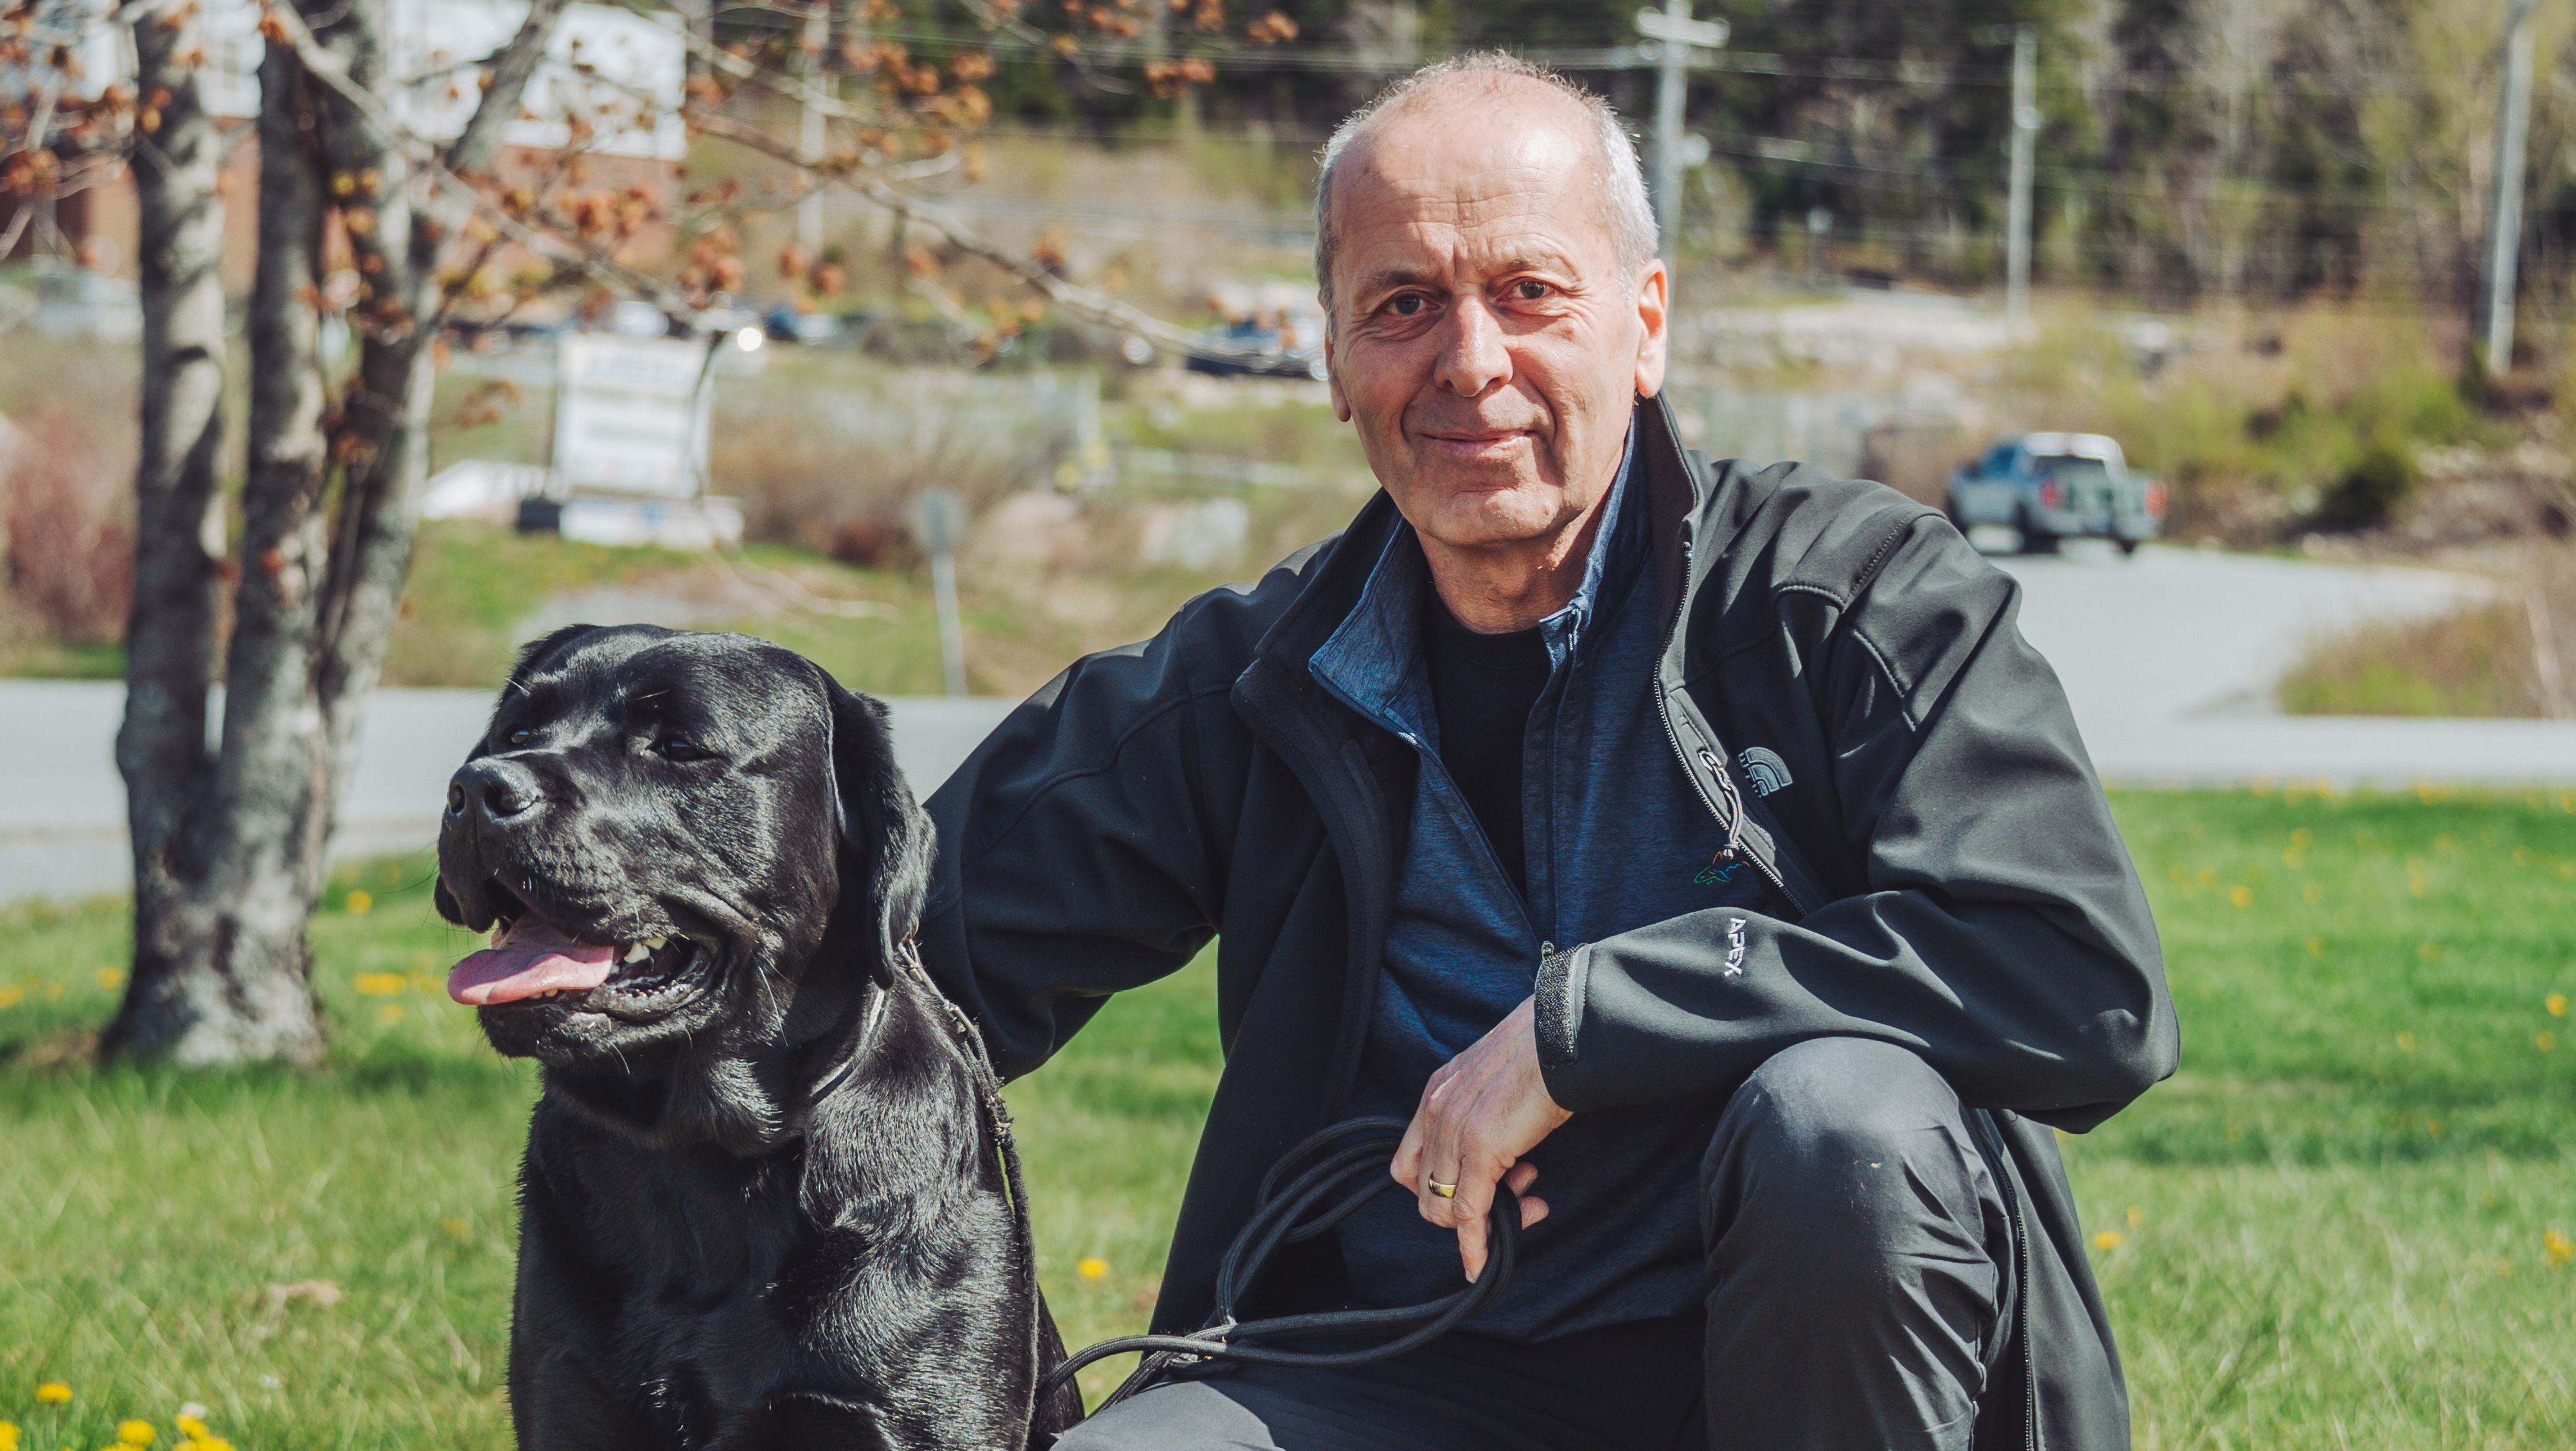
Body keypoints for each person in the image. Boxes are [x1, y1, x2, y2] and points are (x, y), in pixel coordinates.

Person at [921, 52, 2176, 1451]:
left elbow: (2080, 981)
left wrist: (1589, 1031)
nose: (1468, 362)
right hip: (1404, 1365)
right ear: (1333, 360)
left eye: (1527, 292)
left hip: (1790, 1372)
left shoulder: (1851, 595)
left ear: (1643, 328)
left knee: (1844, 1124)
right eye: (1402, 305)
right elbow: (890, 955)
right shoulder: (1254, 680)